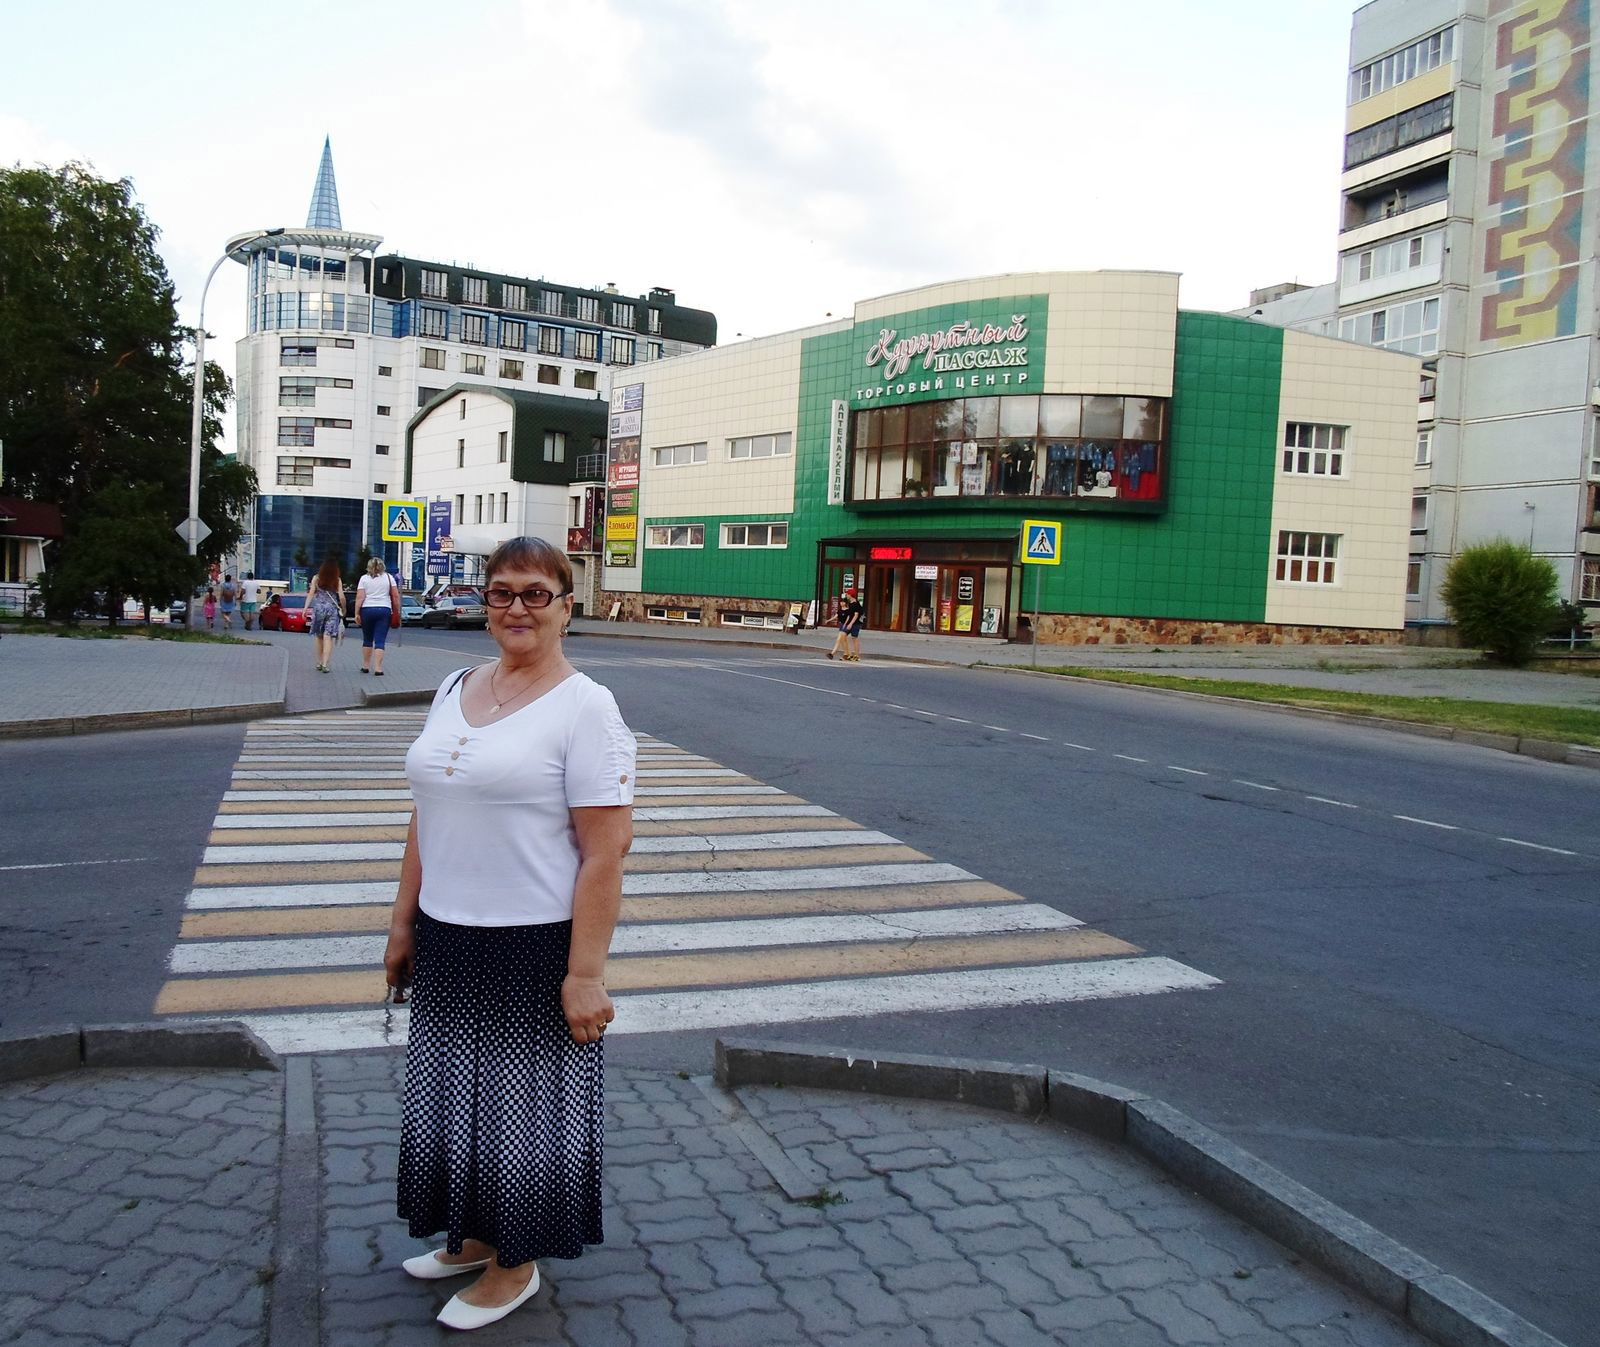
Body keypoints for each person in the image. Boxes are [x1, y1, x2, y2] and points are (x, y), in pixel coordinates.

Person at [384, 536, 634, 1333]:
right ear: (484, 603)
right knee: (458, 1100)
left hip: (534, 940)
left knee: (521, 1114)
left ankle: (515, 1263)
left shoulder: (586, 705)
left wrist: (585, 972)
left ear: (568, 605)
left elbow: (606, 849)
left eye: (535, 593)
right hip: (450, 933)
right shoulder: (456, 684)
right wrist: (401, 922)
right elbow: (426, 813)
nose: (516, 607)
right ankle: (475, 1234)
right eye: (501, 593)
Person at [357, 558, 402, 675]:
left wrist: (357, 613)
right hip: (384, 609)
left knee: (367, 639)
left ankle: (366, 666)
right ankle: (378, 668)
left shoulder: (364, 578)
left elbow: (360, 597)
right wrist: (397, 610)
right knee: (380, 640)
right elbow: (396, 596)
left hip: (367, 610)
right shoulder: (389, 578)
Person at [305, 559, 344, 673]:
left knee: (319, 637)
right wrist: (344, 607)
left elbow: (311, 593)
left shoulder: (316, 579)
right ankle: (325, 664)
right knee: (328, 636)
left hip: (319, 610)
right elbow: (341, 596)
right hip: (332, 610)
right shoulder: (337, 580)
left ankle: (319, 662)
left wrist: (305, 608)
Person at [827, 591, 865, 662]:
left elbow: (856, 615)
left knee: (854, 638)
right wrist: (846, 623)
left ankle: (856, 656)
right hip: (849, 623)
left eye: (847, 594)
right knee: (842, 636)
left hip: (856, 623)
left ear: (850, 595)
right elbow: (849, 615)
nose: (846, 595)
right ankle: (847, 654)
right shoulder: (850, 603)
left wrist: (850, 624)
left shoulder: (856, 604)